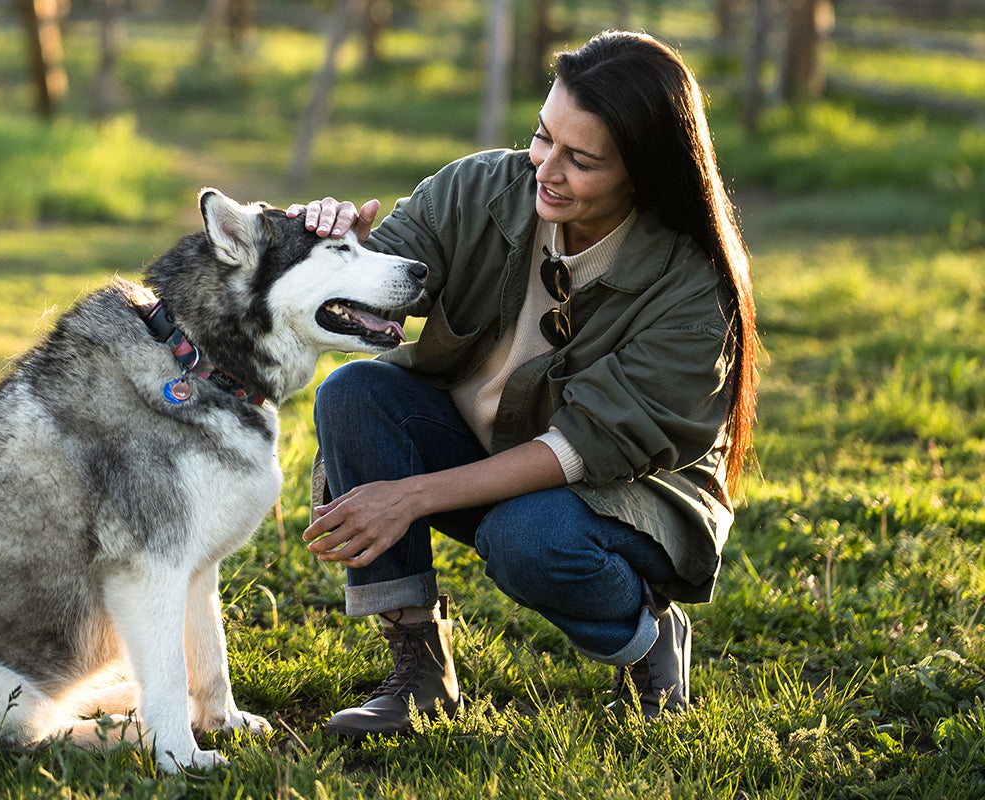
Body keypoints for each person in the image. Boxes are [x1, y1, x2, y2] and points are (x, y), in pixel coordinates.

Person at [286, 29, 759, 738]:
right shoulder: (481, 189)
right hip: (491, 445)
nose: (546, 168)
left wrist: (407, 496)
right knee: (356, 394)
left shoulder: (692, 291)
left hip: (624, 495)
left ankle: (650, 641)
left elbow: (582, 448)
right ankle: (420, 671)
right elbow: (382, 278)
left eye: (582, 159)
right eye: (543, 137)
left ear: (644, 172)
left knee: (527, 537)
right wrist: (329, 243)